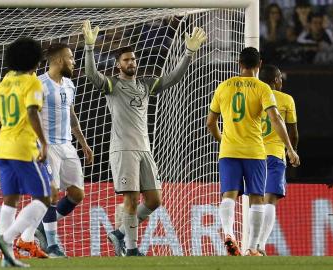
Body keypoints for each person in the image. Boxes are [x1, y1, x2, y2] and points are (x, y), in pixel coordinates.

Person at [82, 20, 206, 256]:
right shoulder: (113, 85)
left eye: (133, 59)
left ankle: (119, 233)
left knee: (154, 200)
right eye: (126, 60)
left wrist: (188, 53)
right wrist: (89, 48)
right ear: (118, 65)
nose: (131, 62)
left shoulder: (145, 85)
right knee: (130, 200)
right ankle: (131, 249)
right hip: (124, 150)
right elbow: (91, 74)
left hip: (144, 150)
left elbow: (173, 78)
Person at [206, 47, 300, 256]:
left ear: (239, 64)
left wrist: (222, 140)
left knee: (228, 195)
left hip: (229, 150)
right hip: (255, 151)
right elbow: (275, 119)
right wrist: (291, 149)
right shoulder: (262, 88)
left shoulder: (224, 86)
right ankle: (253, 247)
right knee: (257, 198)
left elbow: (210, 122)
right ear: (259, 65)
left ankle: (229, 234)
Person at [17, 43, 94, 258]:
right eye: (70, 58)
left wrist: (83, 143)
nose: (73, 61)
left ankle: (39, 227)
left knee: (77, 194)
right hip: (46, 146)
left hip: (67, 145)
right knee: (50, 193)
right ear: (59, 60)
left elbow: (71, 116)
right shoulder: (38, 84)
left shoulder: (69, 85)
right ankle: (52, 245)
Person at [0, 37, 51, 267]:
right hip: (23, 147)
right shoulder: (32, 82)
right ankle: (5, 239)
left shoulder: (2, 84)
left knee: (10, 199)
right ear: (36, 60)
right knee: (45, 197)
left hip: (3, 148)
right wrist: (44, 143)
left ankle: (5, 258)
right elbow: (33, 112)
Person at [257, 65, 299, 255]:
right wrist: (292, 151)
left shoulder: (254, 96)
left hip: (253, 155)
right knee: (270, 201)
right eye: (280, 78)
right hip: (274, 154)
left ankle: (250, 245)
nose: (282, 81)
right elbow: (293, 132)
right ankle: (261, 245)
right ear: (275, 80)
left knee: (254, 202)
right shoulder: (286, 99)